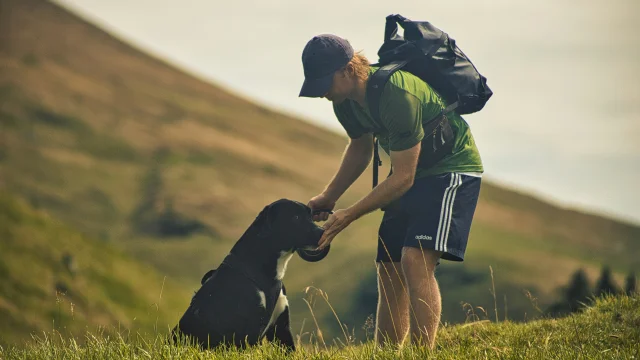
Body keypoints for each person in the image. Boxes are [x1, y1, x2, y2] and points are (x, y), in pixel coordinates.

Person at [299, 34, 484, 349]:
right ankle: (385, 354)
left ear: (347, 70)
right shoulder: (343, 102)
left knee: (414, 259)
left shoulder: (396, 93)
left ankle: (419, 354)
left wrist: (349, 215)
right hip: (410, 172)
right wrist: (329, 197)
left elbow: (403, 178)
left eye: (323, 82)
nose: (321, 93)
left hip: (449, 169)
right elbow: (360, 149)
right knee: (388, 266)